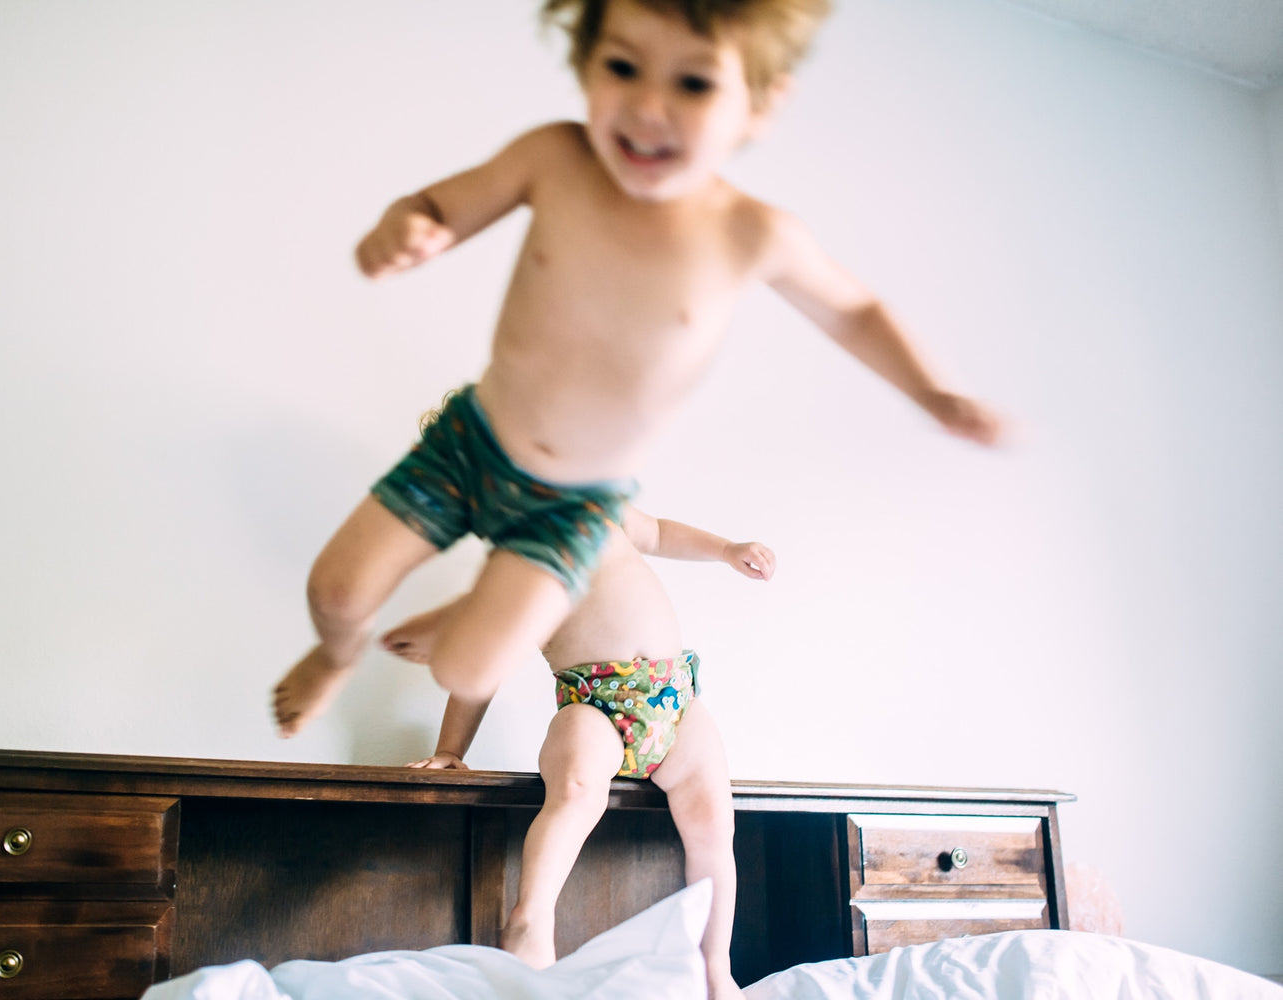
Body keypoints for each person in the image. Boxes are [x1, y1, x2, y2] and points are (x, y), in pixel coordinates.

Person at [272, 0, 1001, 737]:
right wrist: (409, 224)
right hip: (468, 444)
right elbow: (442, 202)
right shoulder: (553, 158)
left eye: (693, 85)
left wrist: (930, 389)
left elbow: (852, 311)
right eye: (622, 68)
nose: (649, 107)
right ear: (586, 66)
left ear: (760, 104)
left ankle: (480, 609)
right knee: (334, 592)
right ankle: (333, 660)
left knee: (464, 670)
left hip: (574, 507)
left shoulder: (751, 234)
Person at [385, 505, 774, 1000]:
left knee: (715, 823)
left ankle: (715, 964)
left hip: (674, 701)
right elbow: (482, 668)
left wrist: (725, 549)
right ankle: (531, 918)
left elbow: (657, 532)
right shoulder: (518, 569)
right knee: (575, 788)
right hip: (593, 704)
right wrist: (449, 749)